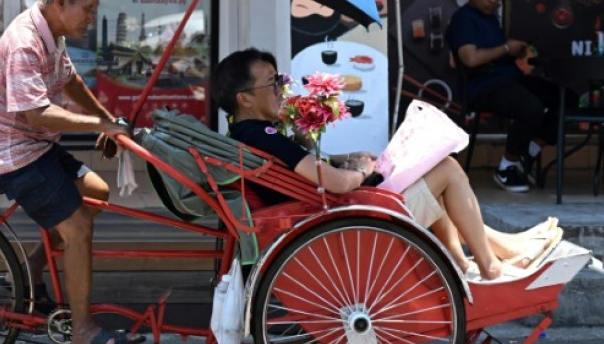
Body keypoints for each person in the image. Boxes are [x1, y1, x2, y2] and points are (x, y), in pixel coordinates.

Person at [211, 48, 560, 281]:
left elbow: (312, 171)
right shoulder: (261, 136)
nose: (281, 89)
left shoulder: (248, 133)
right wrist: (362, 169)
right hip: (345, 224)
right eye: (273, 83)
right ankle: (491, 265)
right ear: (244, 98)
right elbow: (333, 182)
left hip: (336, 216)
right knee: (449, 169)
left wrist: (336, 156)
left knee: (428, 173)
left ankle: (472, 258)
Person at [0, 0, 143, 344]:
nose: (91, 17)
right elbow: (37, 113)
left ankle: (31, 270)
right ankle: (83, 334)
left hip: (36, 146)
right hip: (13, 151)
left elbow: (69, 82)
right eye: (88, 8)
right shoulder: (26, 41)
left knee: (97, 194)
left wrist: (109, 121)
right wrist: (99, 124)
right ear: (61, 2)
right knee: (78, 225)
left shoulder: (53, 33)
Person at [444, 0, 572, 193]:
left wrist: (513, 51)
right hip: (483, 85)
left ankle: (528, 152)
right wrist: (506, 48)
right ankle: (507, 168)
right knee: (531, 108)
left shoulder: (490, 19)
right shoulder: (464, 19)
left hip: (509, 79)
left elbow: (493, 52)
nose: (492, 0)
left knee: (567, 98)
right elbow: (471, 59)